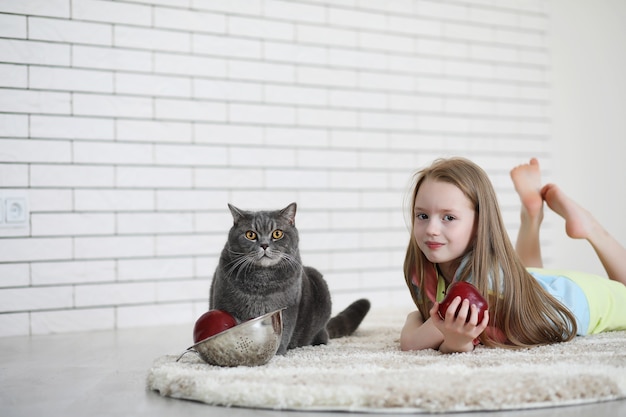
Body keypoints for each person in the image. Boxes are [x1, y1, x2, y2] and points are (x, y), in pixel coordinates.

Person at [400, 157, 626, 353]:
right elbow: (450, 339)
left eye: (448, 217)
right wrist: (454, 342)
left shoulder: (478, 284)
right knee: (524, 280)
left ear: (481, 223)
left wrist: (415, 319)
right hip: (534, 287)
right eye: (422, 216)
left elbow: (412, 342)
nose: (431, 229)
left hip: (578, 299)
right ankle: (532, 214)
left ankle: (592, 228)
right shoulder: (424, 268)